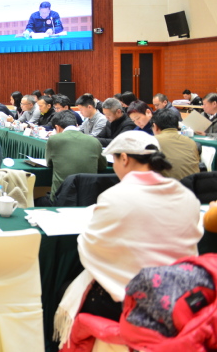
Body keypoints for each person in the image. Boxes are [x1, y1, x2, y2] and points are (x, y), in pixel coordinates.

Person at [55, 132, 201, 341]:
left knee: (65, 288)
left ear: (124, 158)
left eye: (114, 160)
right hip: (181, 294)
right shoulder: (185, 195)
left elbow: (91, 248)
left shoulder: (115, 196)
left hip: (131, 299)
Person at [43, 111, 107, 203]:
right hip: (89, 198)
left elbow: (49, 163)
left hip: (61, 198)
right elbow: (103, 166)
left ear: (57, 127)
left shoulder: (54, 139)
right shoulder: (94, 141)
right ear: (77, 125)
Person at [152, 108, 199, 180]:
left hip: (169, 185)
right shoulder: (191, 142)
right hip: (193, 185)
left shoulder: (152, 141)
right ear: (177, 126)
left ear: (155, 126)